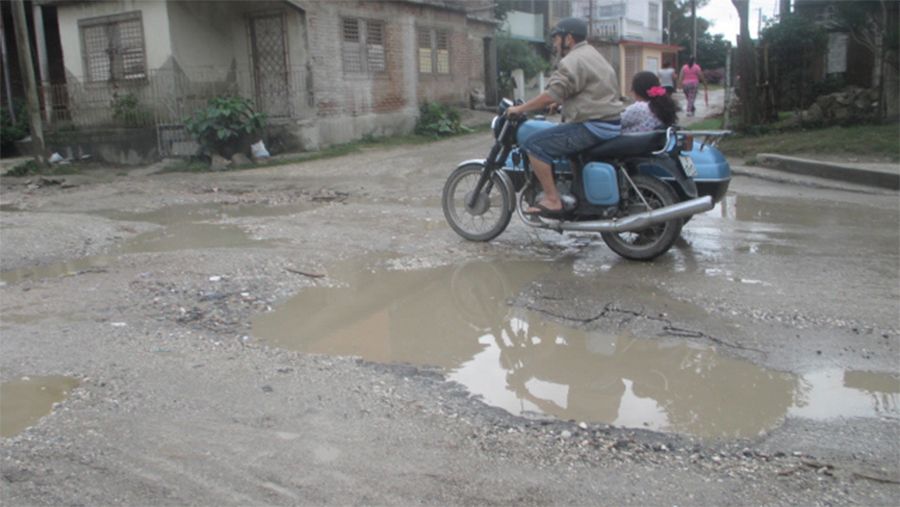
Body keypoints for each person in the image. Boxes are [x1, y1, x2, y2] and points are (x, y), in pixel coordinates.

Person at [506, 17, 624, 218]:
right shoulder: (593, 54)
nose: (554, 44)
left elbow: (551, 93)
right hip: (608, 122)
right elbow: (587, 88)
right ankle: (577, 196)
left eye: (556, 39)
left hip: (593, 125)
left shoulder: (571, 60)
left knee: (535, 146)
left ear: (568, 38)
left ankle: (552, 200)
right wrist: (559, 102)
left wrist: (521, 108)